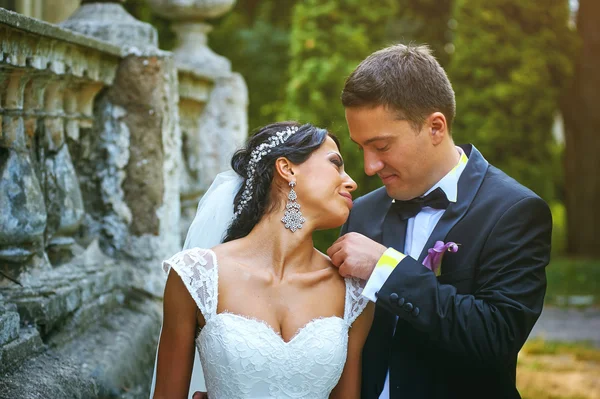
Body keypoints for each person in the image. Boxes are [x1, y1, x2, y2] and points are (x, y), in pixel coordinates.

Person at [326, 44, 552, 399]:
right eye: (361, 149)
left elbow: (496, 337)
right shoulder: (362, 212)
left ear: (435, 127)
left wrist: (386, 269)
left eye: (381, 147)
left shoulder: (515, 211)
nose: (369, 167)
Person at [151, 122, 374, 399]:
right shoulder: (196, 277)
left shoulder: (354, 293)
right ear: (287, 169)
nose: (351, 181)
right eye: (335, 164)